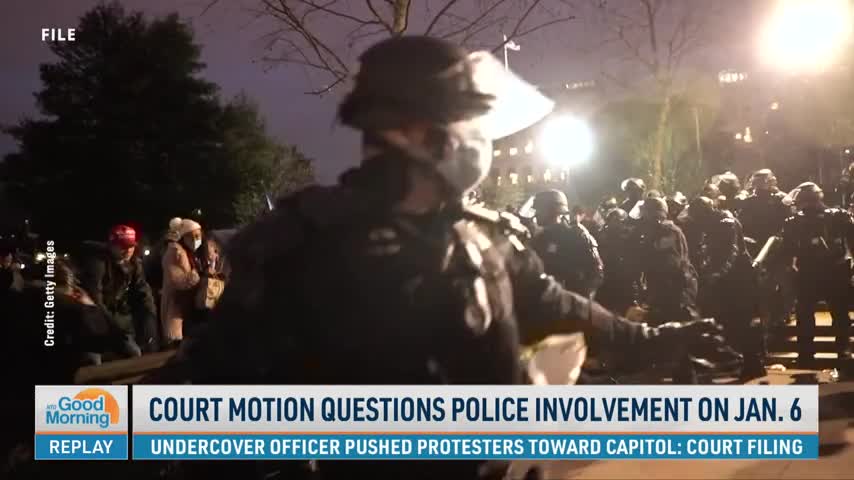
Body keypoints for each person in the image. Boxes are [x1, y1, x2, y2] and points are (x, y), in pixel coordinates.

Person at [166, 36, 718, 480]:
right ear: (414, 132)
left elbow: (556, 304)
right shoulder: (303, 243)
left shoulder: (481, 236)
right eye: (471, 122)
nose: (486, 142)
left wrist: (657, 338)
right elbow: (213, 380)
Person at [685, 196, 764, 379]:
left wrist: (715, 274)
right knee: (726, 322)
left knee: (741, 322)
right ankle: (736, 362)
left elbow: (730, 252)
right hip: (725, 281)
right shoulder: (711, 225)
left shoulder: (725, 223)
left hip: (738, 282)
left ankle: (753, 363)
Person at [779, 182, 853, 365]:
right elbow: (788, 248)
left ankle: (816, 351)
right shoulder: (795, 221)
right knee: (815, 313)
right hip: (815, 270)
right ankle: (813, 351)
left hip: (829, 269)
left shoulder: (838, 216)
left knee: (836, 312)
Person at [79, 225, 157, 357]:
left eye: (131, 246)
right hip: (94, 323)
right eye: (122, 246)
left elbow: (143, 292)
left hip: (119, 320)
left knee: (138, 352)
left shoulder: (134, 264)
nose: (127, 250)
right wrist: (116, 329)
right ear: (111, 246)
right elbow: (95, 301)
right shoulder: (97, 264)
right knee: (94, 362)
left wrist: (149, 319)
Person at [739, 169, 795, 333]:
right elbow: (743, 223)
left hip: (779, 248)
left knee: (784, 283)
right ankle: (769, 318)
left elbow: (790, 223)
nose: (758, 187)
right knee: (764, 286)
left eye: (762, 182)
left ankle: (785, 312)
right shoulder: (749, 201)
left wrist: (783, 241)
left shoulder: (781, 199)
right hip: (758, 249)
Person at [629, 197, 700, 324]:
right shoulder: (655, 232)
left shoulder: (668, 232)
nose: (642, 221)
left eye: (645, 216)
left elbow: (669, 265)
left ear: (654, 216)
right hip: (663, 291)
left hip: (676, 292)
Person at [530, 190, 604, 297]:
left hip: (570, 304)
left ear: (552, 210)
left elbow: (596, 272)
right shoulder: (539, 238)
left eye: (540, 210)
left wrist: (579, 300)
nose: (536, 214)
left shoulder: (576, 236)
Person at [160, 218, 205, 345]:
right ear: (184, 237)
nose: (196, 240)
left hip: (188, 307)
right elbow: (177, 281)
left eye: (198, 236)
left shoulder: (191, 252)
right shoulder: (175, 252)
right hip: (177, 308)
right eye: (192, 236)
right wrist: (200, 275)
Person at [596, 208, 638, 315]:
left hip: (624, 283)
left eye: (618, 220)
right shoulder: (601, 236)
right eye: (613, 220)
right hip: (607, 281)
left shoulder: (629, 237)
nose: (616, 223)